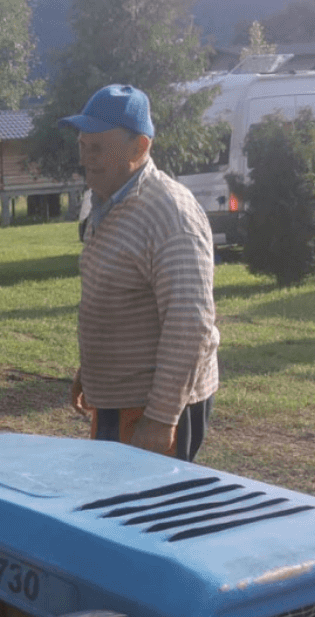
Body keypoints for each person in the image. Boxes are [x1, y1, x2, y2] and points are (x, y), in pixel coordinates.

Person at [59, 84, 219, 462]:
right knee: (111, 513)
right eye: (83, 146)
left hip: (152, 407)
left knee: (142, 516)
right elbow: (118, 295)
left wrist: (161, 420)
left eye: (97, 148)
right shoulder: (106, 202)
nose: (86, 159)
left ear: (140, 147)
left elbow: (189, 322)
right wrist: (93, 370)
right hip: (120, 399)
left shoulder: (169, 213)